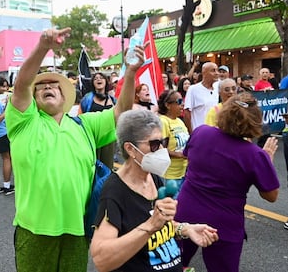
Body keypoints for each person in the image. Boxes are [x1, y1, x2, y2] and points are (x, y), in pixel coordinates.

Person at [6, 27, 146, 271]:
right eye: (41, 86)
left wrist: (131, 73)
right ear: (33, 97)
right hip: (34, 231)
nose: (47, 87)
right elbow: (21, 85)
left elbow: (120, 112)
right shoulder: (24, 122)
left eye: (54, 85)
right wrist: (43, 46)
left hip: (78, 229)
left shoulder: (85, 124)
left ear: (65, 96)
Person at [90, 109, 218, 272]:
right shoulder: (114, 191)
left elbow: (162, 224)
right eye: (154, 144)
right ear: (130, 148)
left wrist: (186, 229)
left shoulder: (152, 176)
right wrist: (150, 226)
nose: (162, 150)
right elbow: (101, 259)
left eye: (163, 143)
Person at [175, 92, 280, 272]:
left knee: (173, 262)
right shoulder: (255, 155)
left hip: (186, 211)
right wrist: (267, 163)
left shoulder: (201, 132)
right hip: (224, 223)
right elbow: (271, 195)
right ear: (255, 122)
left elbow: (189, 159)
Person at [79, 72, 117, 169]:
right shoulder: (87, 99)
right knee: (92, 164)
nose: (98, 80)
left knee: (107, 166)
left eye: (101, 78)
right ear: (93, 83)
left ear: (106, 82)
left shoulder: (112, 100)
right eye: (95, 78)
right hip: (92, 135)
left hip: (109, 138)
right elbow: (80, 116)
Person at [157, 90, 189, 197]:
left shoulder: (180, 121)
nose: (182, 105)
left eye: (183, 102)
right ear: (167, 105)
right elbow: (160, 149)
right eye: (179, 101)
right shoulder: (163, 121)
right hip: (169, 176)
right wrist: (180, 155)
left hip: (183, 173)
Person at [183, 62, 219, 133]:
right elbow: (187, 113)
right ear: (204, 73)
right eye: (213, 70)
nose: (217, 73)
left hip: (213, 133)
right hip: (199, 133)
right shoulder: (193, 89)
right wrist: (191, 133)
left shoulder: (217, 89)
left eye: (217, 70)